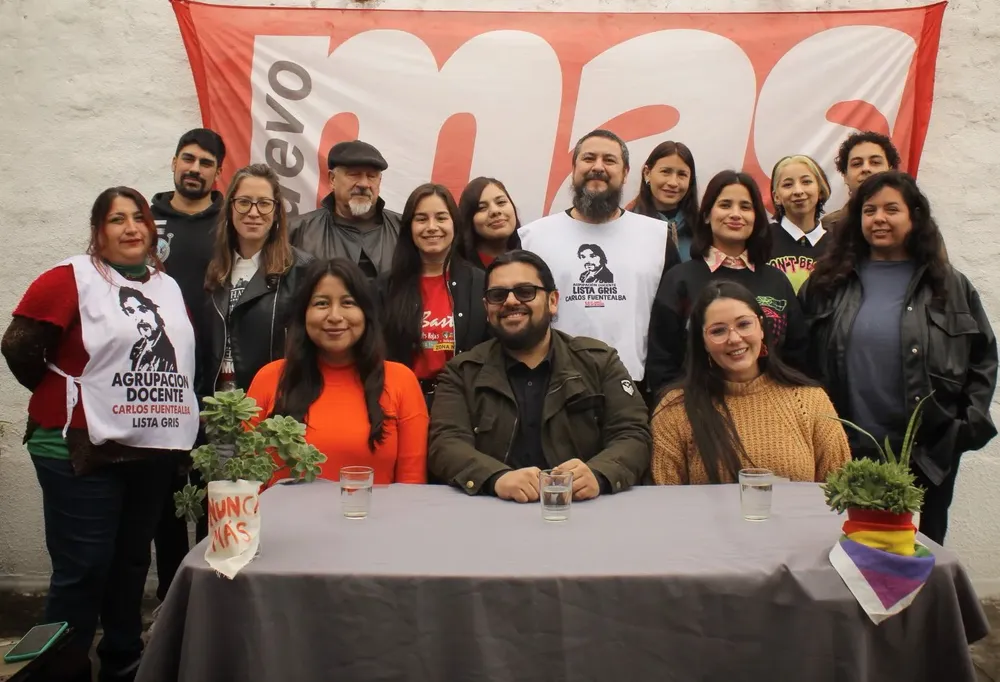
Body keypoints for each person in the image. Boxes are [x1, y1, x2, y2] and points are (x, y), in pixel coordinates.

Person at [1, 187, 199, 682]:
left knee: (130, 564)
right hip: (78, 447)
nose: (131, 228)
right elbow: (20, 347)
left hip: (148, 448)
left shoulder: (166, 286)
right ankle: (56, 670)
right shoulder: (69, 278)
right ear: (98, 231)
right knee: (84, 568)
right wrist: (80, 394)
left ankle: (122, 662)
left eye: (139, 218)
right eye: (117, 219)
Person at [800, 170, 997, 545]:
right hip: (844, 453)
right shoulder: (826, 282)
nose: (879, 218)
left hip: (925, 457)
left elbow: (983, 360)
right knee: (841, 559)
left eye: (892, 209)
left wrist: (963, 429)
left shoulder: (949, 285)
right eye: (869, 210)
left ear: (914, 216)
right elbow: (797, 358)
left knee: (917, 559)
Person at [428, 250, 651, 501]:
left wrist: (599, 473)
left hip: (583, 510)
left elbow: (633, 435)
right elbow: (446, 443)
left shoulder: (600, 362)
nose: (510, 301)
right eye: (498, 295)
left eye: (525, 292)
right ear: (486, 308)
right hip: (493, 510)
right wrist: (495, 478)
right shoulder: (461, 373)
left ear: (553, 301)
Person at [247, 258, 428, 484]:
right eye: (321, 303)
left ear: (366, 313)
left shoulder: (401, 381)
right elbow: (247, 483)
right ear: (304, 313)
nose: (334, 316)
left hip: (371, 509)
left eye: (348, 303)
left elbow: (412, 485)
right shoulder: (270, 378)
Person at [651, 281, 850, 485]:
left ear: (761, 327)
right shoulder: (676, 410)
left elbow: (840, 492)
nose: (734, 338)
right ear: (703, 342)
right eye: (718, 331)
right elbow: (664, 499)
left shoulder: (810, 401)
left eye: (744, 324)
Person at [519, 129, 668, 386]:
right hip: (554, 385)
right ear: (573, 169)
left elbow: (669, 324)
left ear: (625, 173)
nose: (598, 167)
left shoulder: (658, 237)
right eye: (589, 158)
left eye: (609, 160)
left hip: (634, 386)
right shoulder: (533, 238)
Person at [644, 170, 809, 399]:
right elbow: (662, 361)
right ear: (706, 215)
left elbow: (798, 355)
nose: (735, 214)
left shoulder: (776, 280)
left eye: (745, 207)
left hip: (773, 406)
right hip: (698, 408)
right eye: (725, 205)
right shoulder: (679, 279)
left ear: (756, 217)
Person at [148, 128, 226, 605]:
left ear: (218, 172)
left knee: (218, 496)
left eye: (206, 163)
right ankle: (172, 603)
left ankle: (216, 602)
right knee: (168, 507)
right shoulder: (145, 221)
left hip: (219, 383)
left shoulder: (230, 223)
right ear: (174, 162)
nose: (195, 169)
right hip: (162, 383)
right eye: (188, 159)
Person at [379, 183, 488, 406]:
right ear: (409, 227)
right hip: (402, 404)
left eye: (441, 218)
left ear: (454, 223)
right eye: (421, 219)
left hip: (464, 404)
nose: (431, 227)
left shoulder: (480, 283)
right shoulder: (385, 287)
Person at [289, 139, 402, 278]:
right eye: (354, 174)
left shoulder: (404, 230)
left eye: (371, 176)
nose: (364, 184)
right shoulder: (297, 232)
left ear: (379, 181)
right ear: (332, 179)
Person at [628, 140, 699, 272]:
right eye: (665, 171)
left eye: (682, 174)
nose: (673, 182)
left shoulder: (703, 229)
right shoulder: (628, 227)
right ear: (647, 173)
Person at [767, 154, 833, 292]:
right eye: (788, 185)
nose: (798, 191)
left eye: (806, 182)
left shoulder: (837, 245)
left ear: (820, 190)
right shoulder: (761, 239)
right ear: (776, 196)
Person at [821, 130, 900, 232]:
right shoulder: (828, 227)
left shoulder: (911, 220)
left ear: (891, 170)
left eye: (875, 162)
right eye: (857, 164)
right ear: (845, 176)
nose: (866, 168)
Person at [454, 176, 522, 269]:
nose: (495, 211)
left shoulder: (533, 258)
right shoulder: (455, 268)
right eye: (482, 208)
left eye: (501, 202)